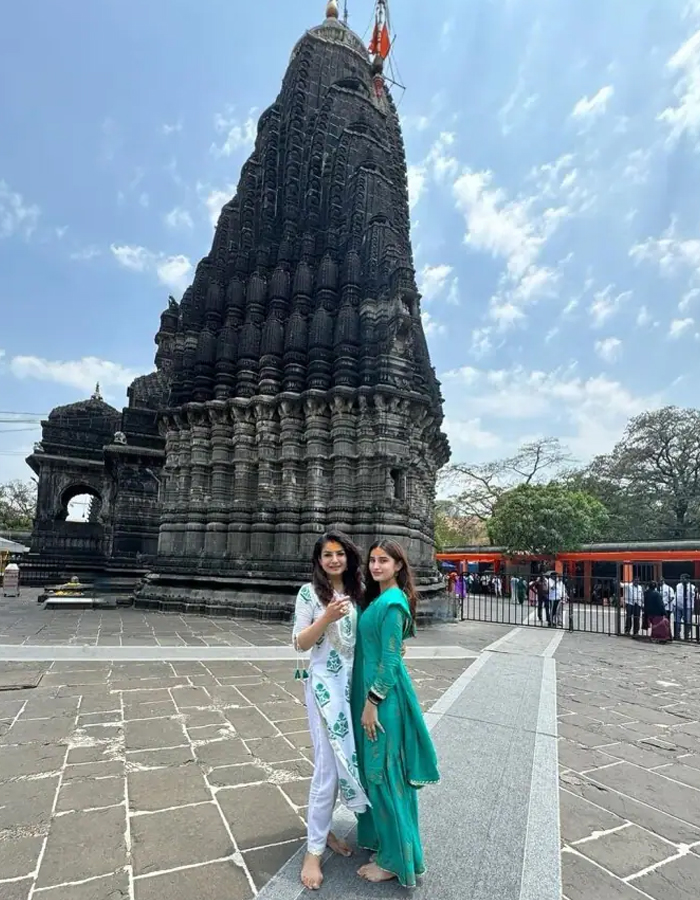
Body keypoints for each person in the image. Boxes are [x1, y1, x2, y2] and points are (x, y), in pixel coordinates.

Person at [352, 539, 439, 887]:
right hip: (372, 693)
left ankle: (395, 861)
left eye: (383, 561)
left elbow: (389, 663)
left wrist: (372, 703)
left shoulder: (392, 603)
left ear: (398, 566)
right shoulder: (379, 599)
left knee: (384, 774)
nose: (375, 566)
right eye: (372, 560)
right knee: (375, 772)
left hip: (382, 701)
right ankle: (387, 843)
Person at [292, 530, 369, 891]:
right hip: (324, 691)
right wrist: (324, 617)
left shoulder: (359, 595)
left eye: (340, 554)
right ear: (319, 560)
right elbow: (299, 643)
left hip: (352, 692)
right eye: (327, 555)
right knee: (327, 770)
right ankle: (313, 851)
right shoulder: (309, 594)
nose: (334, 560)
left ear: (348, 558)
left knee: (346, 766)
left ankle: (325, 833)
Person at [673, 573, 697, 641]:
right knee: (677, 621)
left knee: (687, 622)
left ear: (687, 579)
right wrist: (674, 604)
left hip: (688, 607)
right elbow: (676, 595)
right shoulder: (678, 585)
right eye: (681, 578)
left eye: (683, 578)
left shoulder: (692, 587)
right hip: (678, 606)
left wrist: (695, 592)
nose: (681, 579)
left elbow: (696, 595)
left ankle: (686, 635)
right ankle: (677, 635)